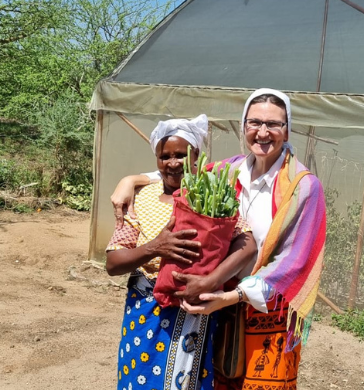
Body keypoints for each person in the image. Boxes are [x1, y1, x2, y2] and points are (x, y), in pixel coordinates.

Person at [111, 89, 327, 390]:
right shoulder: (229, 172)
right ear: (243, 126)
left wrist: (228, 294)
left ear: (287, 128)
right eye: (254, 122)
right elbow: (181, 172)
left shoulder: (303, 187)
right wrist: (131, 180)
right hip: (215, 305)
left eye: (274, 124)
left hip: (266, 311)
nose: (263, 132)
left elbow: (294, 262)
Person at [106, 114, 256, 390]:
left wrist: (211, 281)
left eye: (181, 154)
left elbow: (247, 245)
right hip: (144, 313)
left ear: (196, 154)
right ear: (156, 158)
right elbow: (113, 262)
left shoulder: (212, 195)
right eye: (165, 156)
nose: (173, 163)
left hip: (195, 312)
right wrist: (155, 248)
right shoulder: (141, 198)